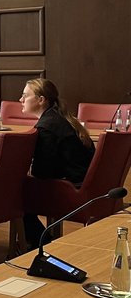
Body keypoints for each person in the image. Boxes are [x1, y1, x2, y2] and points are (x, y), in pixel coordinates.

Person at [21, 78, 96, 247]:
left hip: (73, 190)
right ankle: (38, 242)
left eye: (25, 95)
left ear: (41, 100)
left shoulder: (46, 127)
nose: (21, 99)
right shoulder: (60, 118)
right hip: (88, 185)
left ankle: (40, 243)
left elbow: (43, 173)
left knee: (15, 194)